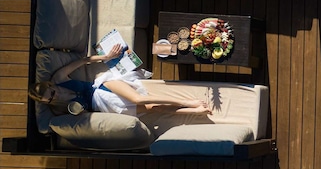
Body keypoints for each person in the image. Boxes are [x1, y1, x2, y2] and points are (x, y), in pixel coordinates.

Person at [28, 44, 211, 115]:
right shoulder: (59, 108)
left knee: (138, 99)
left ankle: (187, 102)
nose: (55, 96)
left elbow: (83, 61)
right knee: (152, 109)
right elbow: (86, 115)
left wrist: (105, 57)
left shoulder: (58, 78)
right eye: (50, 99)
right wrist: (80, 112)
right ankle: (193, 111)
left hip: (101, 87)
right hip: (101, 105)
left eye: (52, 93)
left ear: (50, 85)